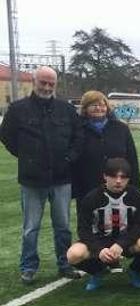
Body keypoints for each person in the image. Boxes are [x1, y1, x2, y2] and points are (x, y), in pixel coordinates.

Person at [0, 66, 83, 284]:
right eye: (43, 83)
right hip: (31, 180)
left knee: (63, 226)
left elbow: (78, 137)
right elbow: (6, 136)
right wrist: (26, 157)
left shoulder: (65, 109)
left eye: (51, 84)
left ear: (55, 85)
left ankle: (65, 264)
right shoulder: (18, 109)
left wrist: (69, 159)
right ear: (34, 82)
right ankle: (28, 267)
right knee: (30, 227)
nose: (46, 87)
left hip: (61, 178)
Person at [66, 158, 140, 291]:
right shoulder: (91, 198)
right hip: (99, 241)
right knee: (73, 255)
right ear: (105, 176)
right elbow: (83, 230)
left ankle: (134, 271)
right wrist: (99, 249)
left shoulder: (138, 196)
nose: (118, 181)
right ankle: (97, 271)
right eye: (114, 176)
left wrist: (121, 244)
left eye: (123, 177)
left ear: (128, 179)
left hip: (127, 242)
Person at [72, 90, 140, 210]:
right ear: (85, 108)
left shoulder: (121, 128)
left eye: (102, 105)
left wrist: (134, 186)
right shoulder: (77, 129)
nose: (99, 108)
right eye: (94, 105)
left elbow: (132, 158)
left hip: (118, 186)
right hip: (87, 187)